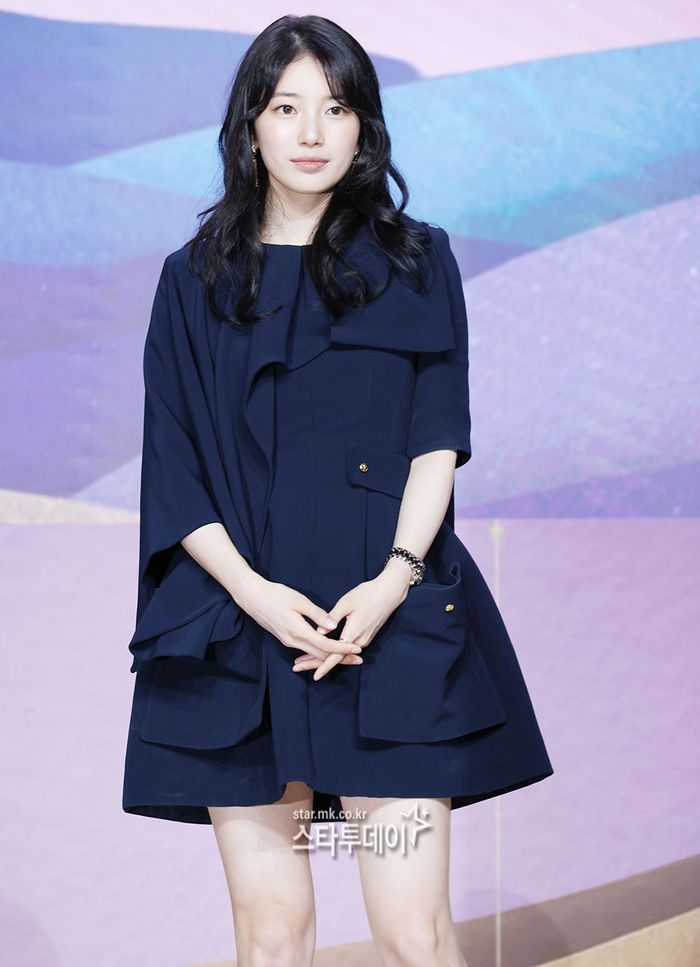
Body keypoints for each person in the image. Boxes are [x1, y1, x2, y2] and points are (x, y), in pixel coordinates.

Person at [122, 14, 554, 967]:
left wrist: (394, 581)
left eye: (336, 107)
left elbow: (437, 442)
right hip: (238, 637)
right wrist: (257, 596)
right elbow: (175, 467)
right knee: (271, 934)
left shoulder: (416, 262)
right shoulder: (192, 282)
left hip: (386, 635)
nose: (312, 132)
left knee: (413, 933)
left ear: (365, 127)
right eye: (287, 108)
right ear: (250, 127)